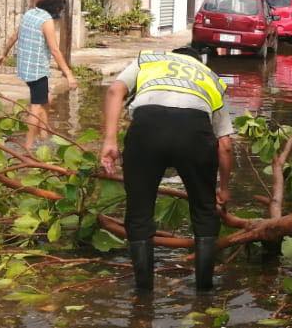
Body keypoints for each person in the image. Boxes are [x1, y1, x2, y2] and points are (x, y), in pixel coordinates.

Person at [99, 44, 234, 292]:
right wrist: (223, 189)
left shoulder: (149, 60)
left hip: (147, 129)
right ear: (197, 62)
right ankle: (204, 292)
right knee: (204, 211)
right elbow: (224, 145)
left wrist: (109, 141)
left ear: (172, 56)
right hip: (194, 133)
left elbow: (115, 90)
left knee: (139, 213)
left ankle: (143, 294)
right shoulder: (211, 78)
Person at [0, 0, 76, 151]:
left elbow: (14, 36)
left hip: (24, 67)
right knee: (36, 107)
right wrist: (69, 74)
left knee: (45, 99)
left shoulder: (30, 13)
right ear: (56, 8)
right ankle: (28, 146)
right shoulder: (47, 21)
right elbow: (54, 50)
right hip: (37, 70)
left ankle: (44, 136)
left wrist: (3, 54)